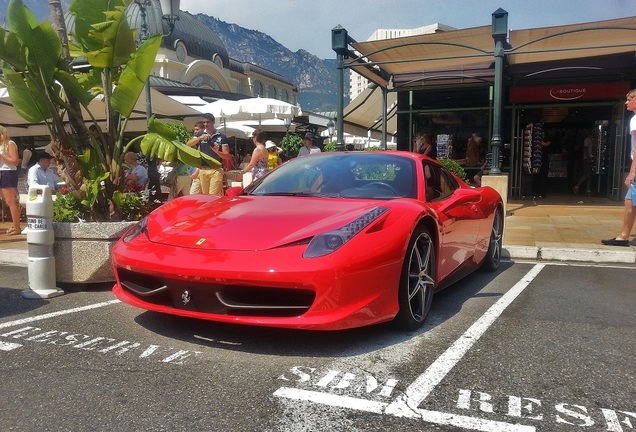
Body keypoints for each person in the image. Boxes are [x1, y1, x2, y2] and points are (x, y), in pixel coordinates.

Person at [601, 89, 636, 247]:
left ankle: (623, 236)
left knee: (630, 201)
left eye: (630, 99)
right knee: (630, 200)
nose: (626, 102)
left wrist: (632, 172)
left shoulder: (635, 119)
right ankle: (624, 235)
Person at [186, 113, 232, 196]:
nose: (206, 124)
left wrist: (217, 151)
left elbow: (227, 156)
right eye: (204, 123)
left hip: (216, 169)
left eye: (208, 122)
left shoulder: (221, 137)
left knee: (213, 196)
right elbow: (188, 144)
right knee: (206, 196)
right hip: (203, 169)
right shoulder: (200, 135)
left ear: (213, 122)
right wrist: (200, 138)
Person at [0, 126, 22, 235]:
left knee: (10, 202)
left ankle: (17, 227)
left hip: (8, 172)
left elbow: (15, 161)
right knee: (7, 201)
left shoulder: (10, 144)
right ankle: (15, 226)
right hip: (2, 172)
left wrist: (2, 157)